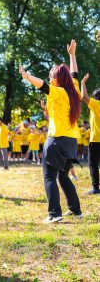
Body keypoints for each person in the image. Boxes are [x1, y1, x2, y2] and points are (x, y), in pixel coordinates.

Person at [19, 39, 82, 223]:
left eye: (51, 75)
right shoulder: (75, 90)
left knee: (49, 177)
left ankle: (54, 214)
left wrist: (27, 76)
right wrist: (72, 55)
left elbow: (42, 85)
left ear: (56, 79)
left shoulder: (58, 91)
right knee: (63, 176)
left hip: (56, 140)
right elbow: (74, 73)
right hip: (71, 141)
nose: (49, 78)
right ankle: (76, 210)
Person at [81, 73, 100, 195]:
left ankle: (95, 188)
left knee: (93, 164)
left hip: (96, 140)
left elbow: (84, 97)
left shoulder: (96, 104)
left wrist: (82, 82)